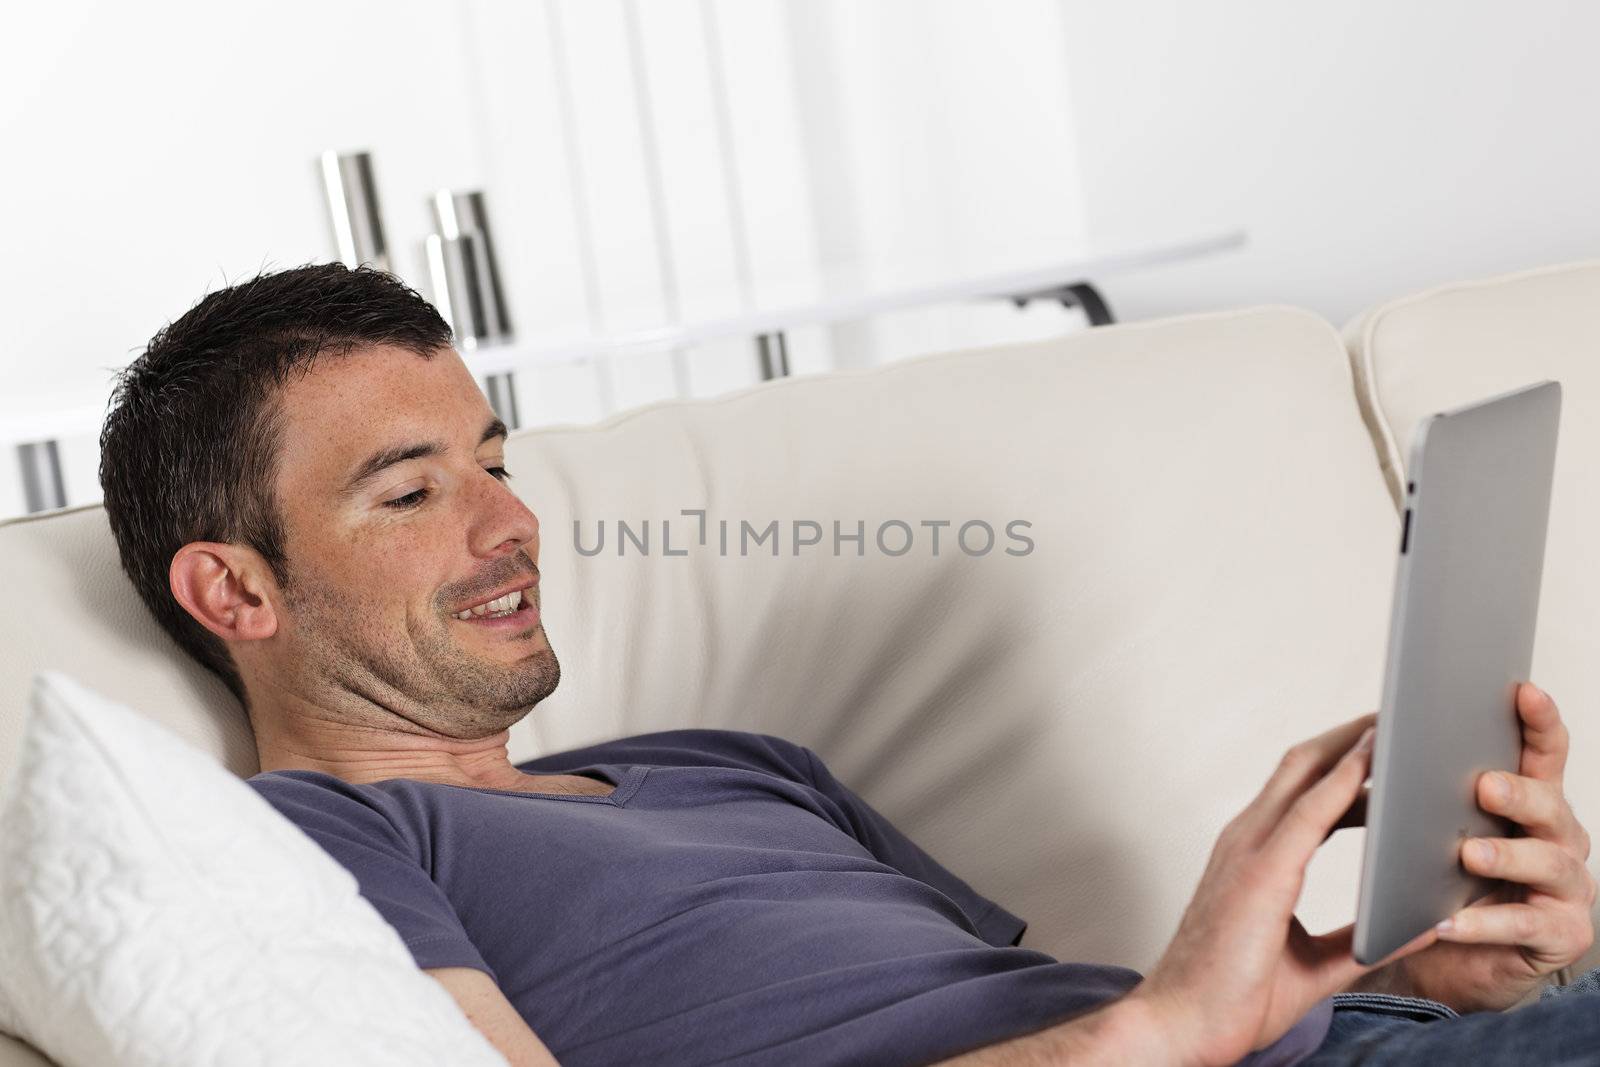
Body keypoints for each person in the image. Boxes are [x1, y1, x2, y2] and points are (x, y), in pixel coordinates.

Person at [97, 264, 1597, 1067]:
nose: (509, 524)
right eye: (414, 492)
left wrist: (1457, 981)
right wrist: (1158, 1033)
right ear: (234, 588)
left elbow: (1019, 1006)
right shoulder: (309, 843)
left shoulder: (732, 762)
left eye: (496, 462)